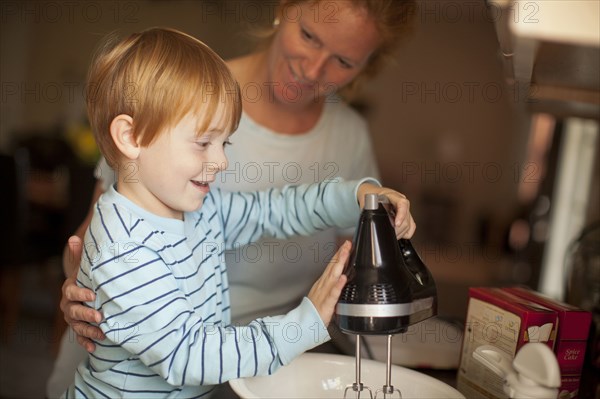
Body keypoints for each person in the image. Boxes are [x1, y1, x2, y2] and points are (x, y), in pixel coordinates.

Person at [48, 1, 417, 396]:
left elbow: (276, 210)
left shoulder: (201, 209)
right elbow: (186, 354)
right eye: (204, 143)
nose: (222, 161)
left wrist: (359, 194)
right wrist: (303, 324)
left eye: (224, 143)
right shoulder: (125, 245)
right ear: (131, 137)